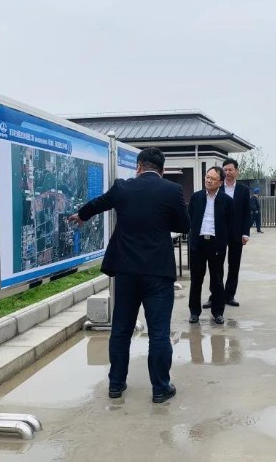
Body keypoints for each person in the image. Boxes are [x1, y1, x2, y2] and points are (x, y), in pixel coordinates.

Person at [69, 147, 190, 404]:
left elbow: (98, 203)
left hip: (126, 271)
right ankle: (160, 388)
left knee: (121, 329)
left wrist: (81, 215)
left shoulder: (122, 188)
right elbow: (184, 225)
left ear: (138, 166)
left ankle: (116, 384)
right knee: (159, 332)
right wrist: (161, 220)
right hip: (158, 272)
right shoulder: (172, 190)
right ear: (162, 170)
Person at [187, 166, 234, 325]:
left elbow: (230, 223)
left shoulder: (227, 201)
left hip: (216, 244)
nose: (208, 181)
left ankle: (218, 312)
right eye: (207, 177)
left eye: (213, 179)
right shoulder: (196, 197)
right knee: (196, 279)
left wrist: (224, 241)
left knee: (217, 279)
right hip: (198, 243)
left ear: (220, 182)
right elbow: (190, 217)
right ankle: (194, 312)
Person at [204, 158, 251, 309]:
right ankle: (214, 296)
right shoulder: (217, 187)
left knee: (234, 265)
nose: (228, 172)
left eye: (230, 169)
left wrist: (245, 233)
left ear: (237, 171)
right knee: (216, 265)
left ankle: (229, 295)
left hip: (237, 233)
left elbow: (247, 213)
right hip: (219, 232)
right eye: (225, 170)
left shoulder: (243, 190)